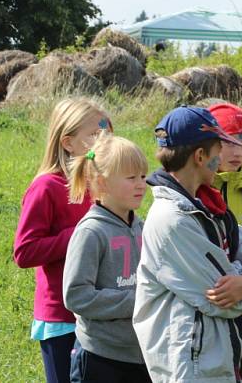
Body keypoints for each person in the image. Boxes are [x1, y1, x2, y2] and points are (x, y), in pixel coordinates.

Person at [133, 106, 242, 382]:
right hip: (192, 369)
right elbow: (223, 301)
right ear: (200, 156)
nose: (221, 159)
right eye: (216, 153)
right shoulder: (172, 219)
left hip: (223, 362)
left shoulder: (210, 208)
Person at [13, 97, 112, 383]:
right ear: (68, 142)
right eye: (95, 134)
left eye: (108, 133)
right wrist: (78, 236)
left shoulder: (104, 186)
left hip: (100, 315)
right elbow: (25, 251)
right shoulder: (47, 186)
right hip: (62, 317)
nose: (104, 141)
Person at [62, 134, 151, 382]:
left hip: (141, 353)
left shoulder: (143, 227)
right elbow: (76, 295)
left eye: (143, 177)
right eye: (131, 178)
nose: (141, 184)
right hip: (100, 356)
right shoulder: (91, 232)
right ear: (102, 183)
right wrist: (137, 301)